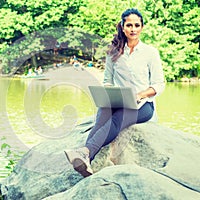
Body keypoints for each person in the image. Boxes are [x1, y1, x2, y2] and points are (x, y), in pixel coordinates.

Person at [64, 8, 165, 177]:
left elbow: (159, 84)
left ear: (142, 27)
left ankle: (84, 152)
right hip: (119, 100)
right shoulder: (114, 52)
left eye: (137, 25)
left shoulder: (150, 53)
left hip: (144, 105)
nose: (133, 29)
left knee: (118, 118)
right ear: (123, 27)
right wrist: (109, 95)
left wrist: (140, 95)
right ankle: (86, 159)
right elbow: (107, 81)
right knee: (102, 114)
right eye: (129, 25)